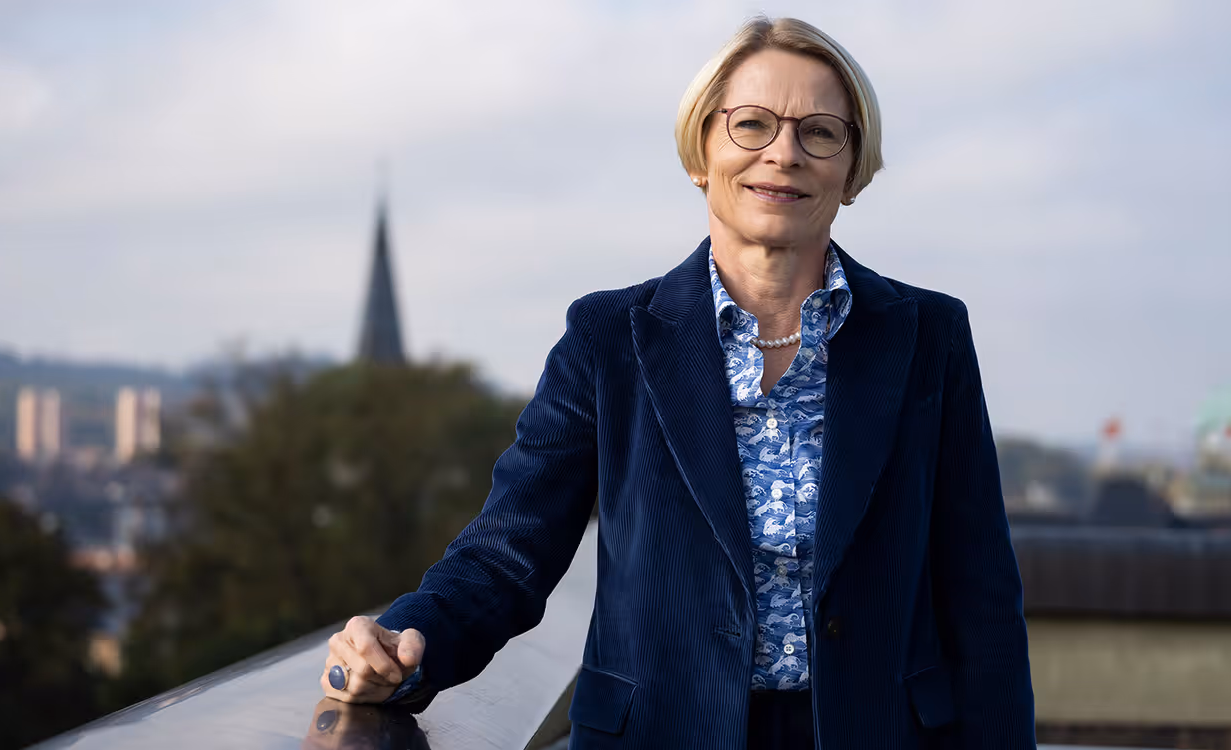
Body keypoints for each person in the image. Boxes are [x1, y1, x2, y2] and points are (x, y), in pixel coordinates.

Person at [321, 15, 1035, 749]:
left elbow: (980, 596)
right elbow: (508, 556)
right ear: (702, 151)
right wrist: (402, 645)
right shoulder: (608, 337)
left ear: (852, 169)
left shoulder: (928, 337)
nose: (783, 153)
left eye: (820, 132)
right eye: (752, 124)